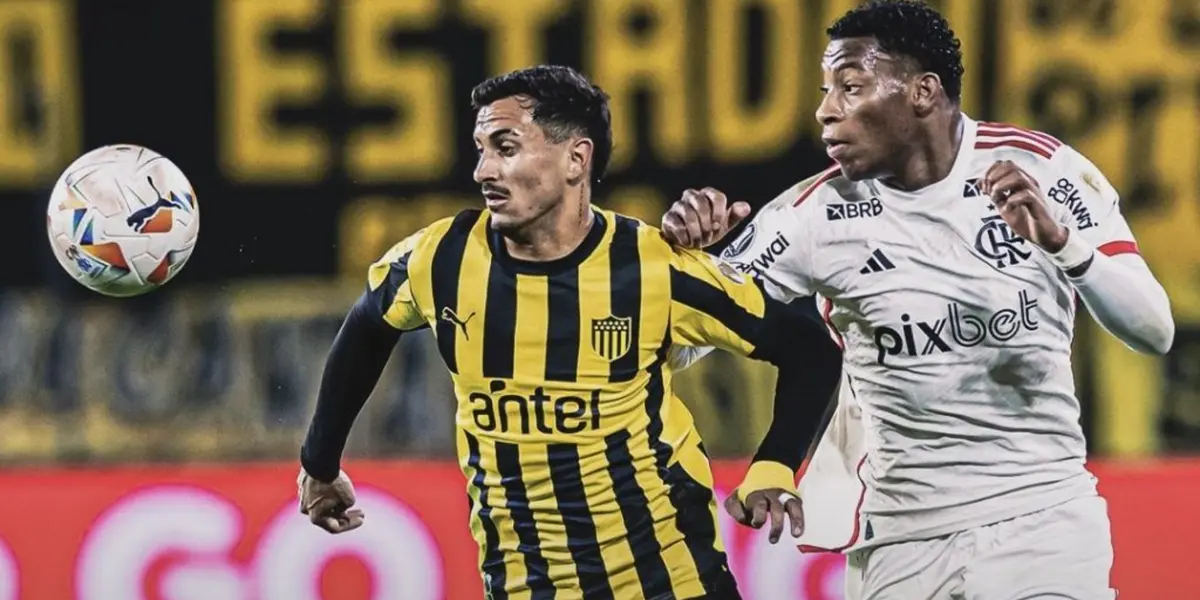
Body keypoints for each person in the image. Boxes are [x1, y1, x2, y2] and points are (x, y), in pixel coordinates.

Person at [660, 2, 1175, 599]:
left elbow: (1153, 330)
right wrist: (684, 265)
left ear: (922, 92)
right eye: (826, 91)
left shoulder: (1042, 170)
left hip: (1041, 518)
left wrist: (1064, 245)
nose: (826, 111)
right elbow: (674, 352)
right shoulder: (811, 217)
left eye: (851, 87)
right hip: (897, 542)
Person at [295, 65, 842, 599]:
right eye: (480, 149)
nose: (483, 170)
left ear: (576, 159)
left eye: (506, 148)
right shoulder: (440, 259)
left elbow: (811, 349)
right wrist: (320, 463)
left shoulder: (649, 267)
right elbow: (367, 325)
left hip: (671, 581)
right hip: (524, 587)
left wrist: (775, 464)